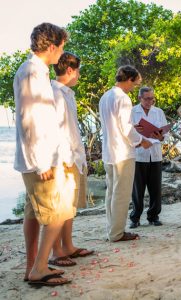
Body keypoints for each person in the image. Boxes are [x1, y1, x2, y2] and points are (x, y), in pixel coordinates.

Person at [13, 23, 70, 286]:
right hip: (40, 159)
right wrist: (41, 162)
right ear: (51, 46)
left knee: (33, 214)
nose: (62, 52)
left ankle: (33, 267)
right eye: (61, 47)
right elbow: (29, 120)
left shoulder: (38, 72)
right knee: (58, 212)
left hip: (43, 156)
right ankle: (38, 269)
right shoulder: (31, 72)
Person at [48, 52, 94, 267]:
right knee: (59, 207)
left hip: (74, 156)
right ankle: (56, 251)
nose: (79, 75)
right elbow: (56, 130)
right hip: (64, 157)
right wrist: (64, 159)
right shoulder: (55, 93)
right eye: (78, 71)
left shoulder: (67, 93)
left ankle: (68, 245)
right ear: (70, 70)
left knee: (69, 207)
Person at [99, 65, 152, 242]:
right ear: (129, 79)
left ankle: (111, 228)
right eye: (134, 84)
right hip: (122, 152)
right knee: (121, 194)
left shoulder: (105, 96)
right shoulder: (123, 98)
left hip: (108, 151)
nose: (133, 87)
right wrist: (141, 141)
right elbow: (126, 128)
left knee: (111, 193)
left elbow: (111, 124)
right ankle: (117, 233)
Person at [129, 87, 168, 228]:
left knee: (156, 188)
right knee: (137, 189)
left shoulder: (159, 112)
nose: (150, 101)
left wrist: (161, 136)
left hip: (155, 154)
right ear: (140, 98)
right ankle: (135, 218)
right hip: (139, 155)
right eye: (147, 98)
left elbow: (165, 133)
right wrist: (136, 134)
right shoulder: (132, 111)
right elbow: (127, 131)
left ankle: (153, 216)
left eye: (152, 98)